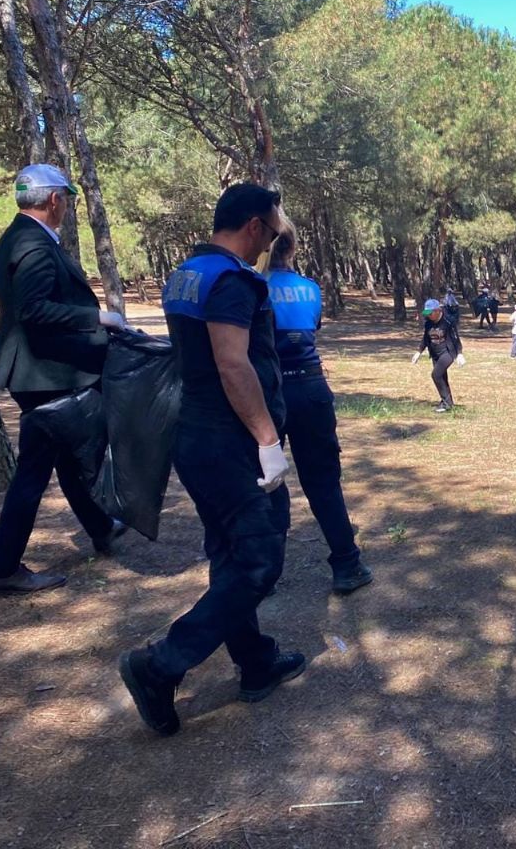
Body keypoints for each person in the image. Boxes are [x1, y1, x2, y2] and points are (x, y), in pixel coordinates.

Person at [120, 183, 301, 737]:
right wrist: (267, 440)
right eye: (271, 233)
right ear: (252, 227)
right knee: (260, 558)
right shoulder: (231, 280)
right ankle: (161, 664)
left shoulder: (188, 271)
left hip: (196, 436)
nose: (270, 244)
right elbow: (233, 365)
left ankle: (255, 660)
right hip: (232, 442)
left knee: (231, 552)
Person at [0, 164, 127, 595]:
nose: (66, 207)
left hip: (39, 372)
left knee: (66, 458)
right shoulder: (33, 244)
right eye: (66, 199)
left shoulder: (18, 236)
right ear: (53, 200)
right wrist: (97, 317)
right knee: (34, 470)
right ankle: (4, 568)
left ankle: (101, 527)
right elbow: (34, 310)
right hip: (44, 374)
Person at [266, 227, 372, 595]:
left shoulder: (250, 285)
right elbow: (310, 328)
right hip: (311, 386)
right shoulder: (310, 289)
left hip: (268, 389)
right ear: (293, 247)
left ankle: (265, 573)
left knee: (266, 480)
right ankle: (347, 563)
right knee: (324, 482)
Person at [412, 298, 464, 412]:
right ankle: (448, 403)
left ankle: (445, 402)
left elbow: (456, 339)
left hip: (448, 352)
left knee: (436, 375)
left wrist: (460, 354)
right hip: (435, 353)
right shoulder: (428, 323)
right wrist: (418, 352)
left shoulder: (448, 321)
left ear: (437, 311)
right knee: (442, 377)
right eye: (427, 313)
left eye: (430, 313)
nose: (429, 315)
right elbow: (426, 339)